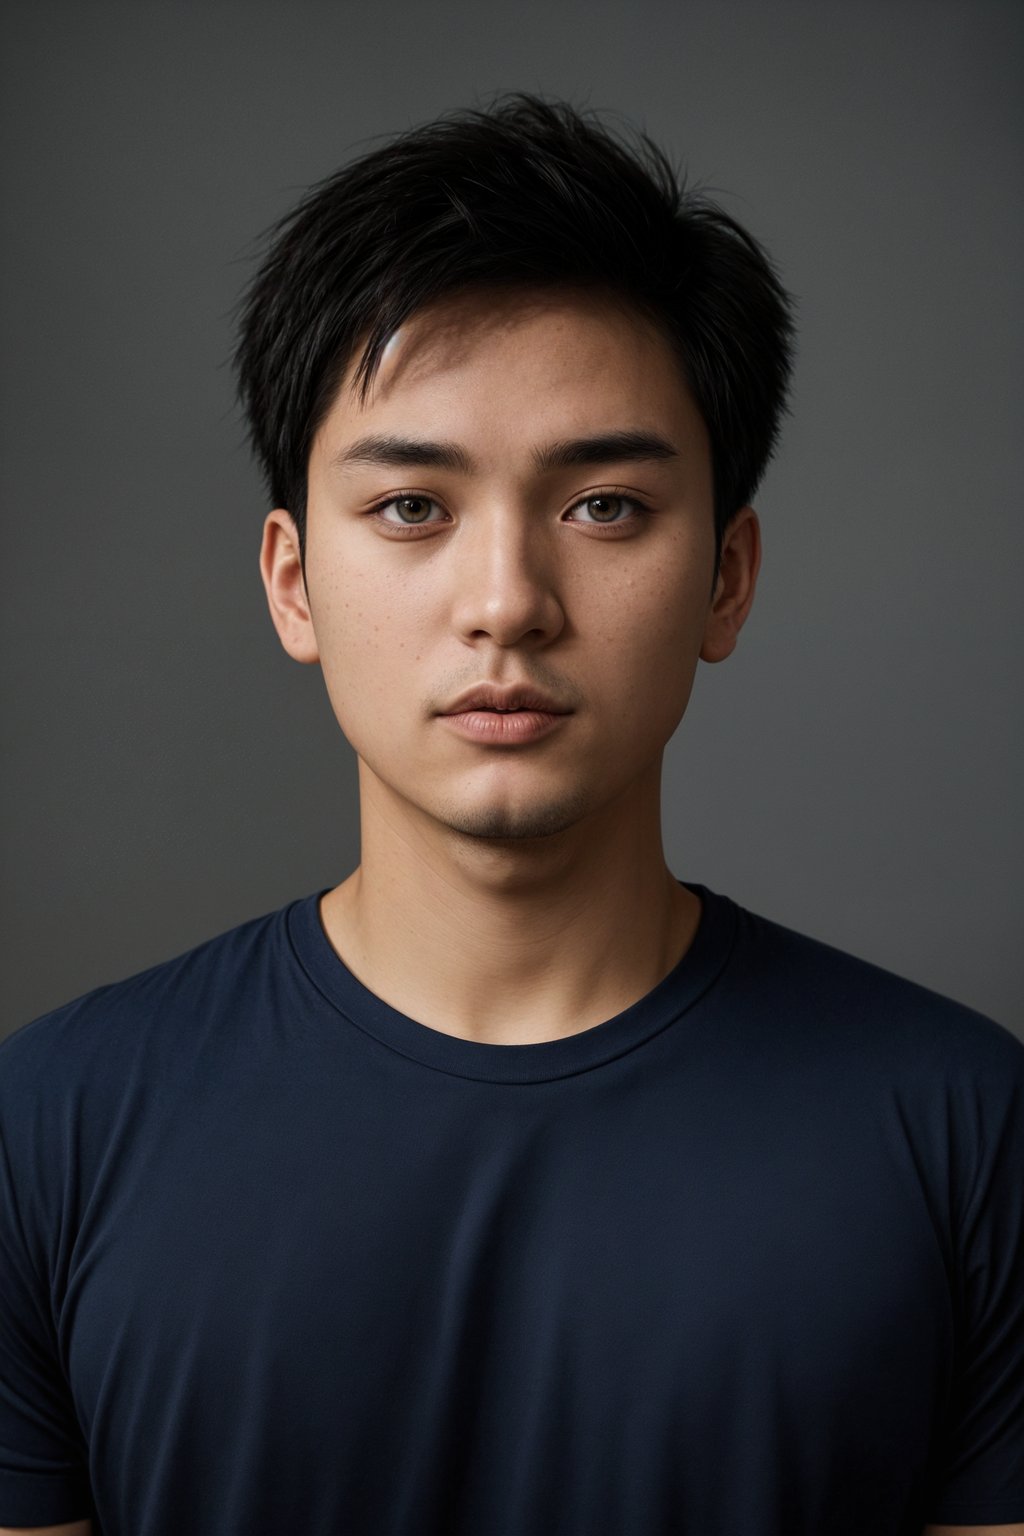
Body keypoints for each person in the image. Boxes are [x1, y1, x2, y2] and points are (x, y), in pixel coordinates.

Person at [0, 93, 1020, 1536]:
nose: (507, 604)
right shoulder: (46, 1135)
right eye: (413, 507)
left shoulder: (967, 1135)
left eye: (604, 505)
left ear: (727, 576)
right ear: (293, 581)